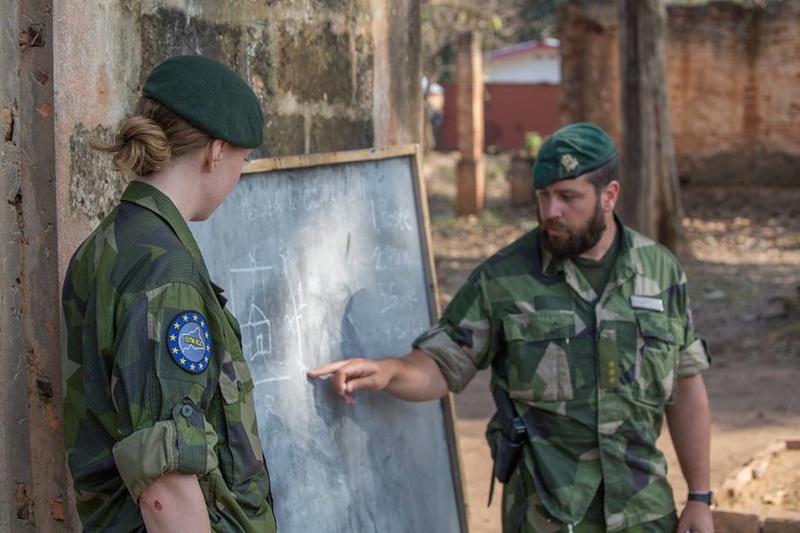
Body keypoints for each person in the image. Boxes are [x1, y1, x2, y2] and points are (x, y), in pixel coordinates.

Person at [309, 123, 713, 533]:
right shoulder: (506, 277)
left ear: (609, 195)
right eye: (544, 196)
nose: (551, 211)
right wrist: (390, 371)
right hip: (547, 518)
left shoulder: (660, 272)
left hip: (644, 516)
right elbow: (445, 361)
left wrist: (700, 496)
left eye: (568, 197)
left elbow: (685, 384)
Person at [62, 55, 277, 532]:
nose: (238, 178)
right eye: (243, 161)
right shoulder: (167, 274)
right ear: (216, 151)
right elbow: (166, 492)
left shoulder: (105, 246)